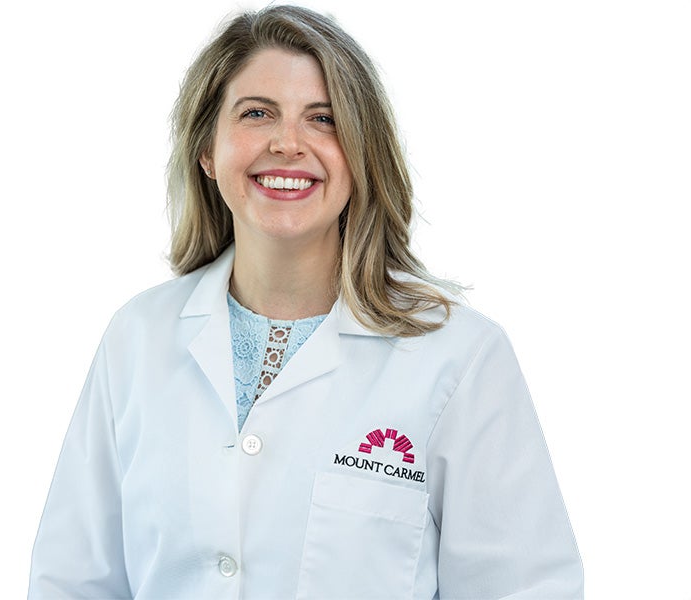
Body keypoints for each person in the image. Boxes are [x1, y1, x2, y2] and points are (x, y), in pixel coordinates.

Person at [28, 5, 583, 599]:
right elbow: (72, 582)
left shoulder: (458, 356)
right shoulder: (138, 337)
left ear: (362, 155)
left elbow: (524, 588)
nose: (287, 143)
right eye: (257, 113)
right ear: (208, 150)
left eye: (323, 119)